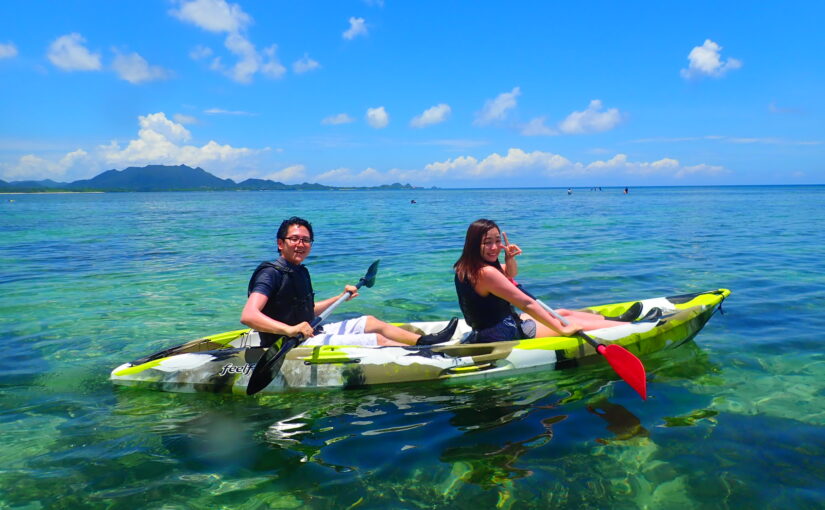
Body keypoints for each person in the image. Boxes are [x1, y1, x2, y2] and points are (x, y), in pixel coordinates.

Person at [241, 217, 457, 348]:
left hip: (312, 331)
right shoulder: (271, 273)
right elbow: (249, 315)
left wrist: (339, 298)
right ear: (280, 243)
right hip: (287, 342)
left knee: (370, 322)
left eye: (305, 240)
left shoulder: (299, 271)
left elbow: (306, 311)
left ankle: (425, 342)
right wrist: (289, 330)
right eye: (294, 239)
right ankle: (425, 356)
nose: (300, 244)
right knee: (376, 339)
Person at [453, 219, 638, 343]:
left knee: (563, 311)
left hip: (490, 326)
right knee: (566, 321)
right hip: (503, 333)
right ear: (474, 243)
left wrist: (509, 258)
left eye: (496, 241)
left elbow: (510, 274)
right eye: (487, 242)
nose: (494, 247)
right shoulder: (486, 273)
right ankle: (629, 328)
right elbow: (526, 303)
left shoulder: (466, 266)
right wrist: (561, 329)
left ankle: (616, 319)